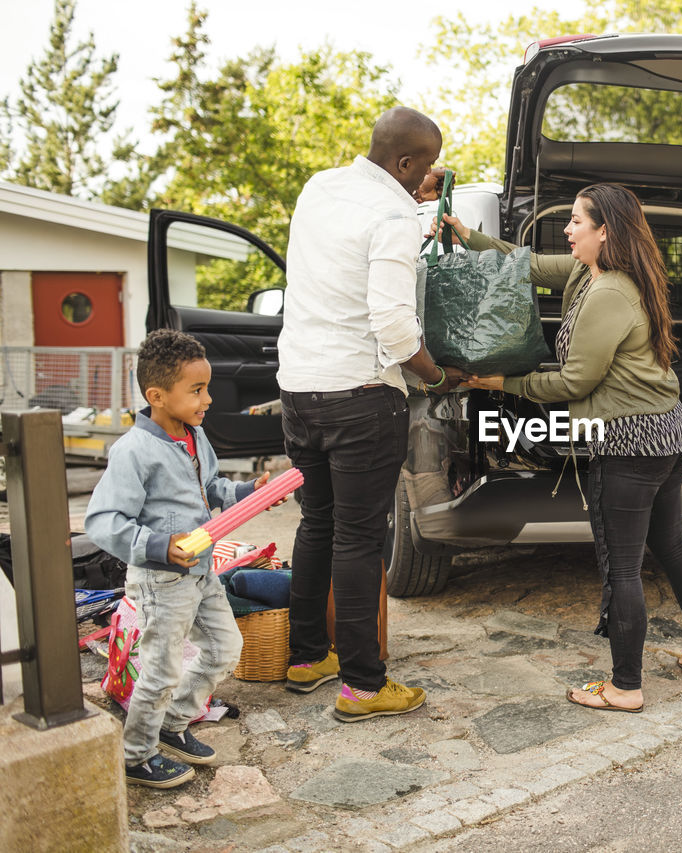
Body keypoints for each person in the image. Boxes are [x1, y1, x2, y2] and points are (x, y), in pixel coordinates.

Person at [436, 183, 682, 713]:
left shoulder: (610, 292)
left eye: (575, 222)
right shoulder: (587, 272)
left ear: (604, 231)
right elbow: (525, 265)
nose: (567, 230)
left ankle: (625, 687)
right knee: (672, 542)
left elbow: (572, 384)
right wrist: (467, 237)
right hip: (666, 431)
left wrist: (497, 383)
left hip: (631, 442)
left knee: (622, 566)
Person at [277, 106, 462, 722]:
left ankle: (307, 657)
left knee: (317, 525)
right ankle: (362, 684)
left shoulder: (321, 187)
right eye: (425, 164)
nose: (430, 174)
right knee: (360, 539)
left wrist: (412, 193)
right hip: (361, 395)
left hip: (300, 389)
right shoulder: (392, 216)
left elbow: (358, 230)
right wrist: (436, 377)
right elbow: (391, 322)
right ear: (406, 163)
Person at [86, 329, 275, 788]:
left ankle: (173, 723)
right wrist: (157, 545)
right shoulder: (134, 451)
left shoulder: (193, 436)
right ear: (157, 395)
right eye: (197, 390)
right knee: (160, 668)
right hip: (161, 581)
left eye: (206, 387)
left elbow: (213, 489)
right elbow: (103, 520)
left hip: (202, 573)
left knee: (226, 648)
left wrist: (252, 492)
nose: (208, 398)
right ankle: (136, 755)